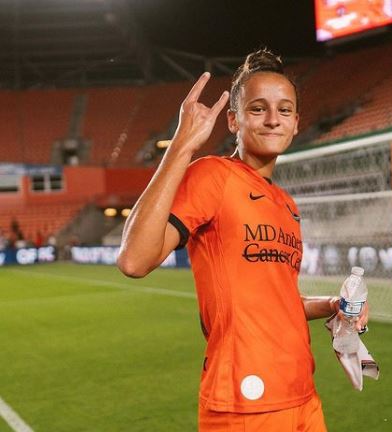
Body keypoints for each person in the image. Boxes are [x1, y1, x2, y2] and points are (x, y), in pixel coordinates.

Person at [117, 49, 369, 431]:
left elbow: (279, 301)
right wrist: (182, 146)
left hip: (302, 393)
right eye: (258, 109)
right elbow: (134, 260)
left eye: (284, 110)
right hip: (243, 402)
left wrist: (334, 305)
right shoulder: (213, 175)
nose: (273, 119)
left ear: (296, 123)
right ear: (233, 119)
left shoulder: (286, 205)